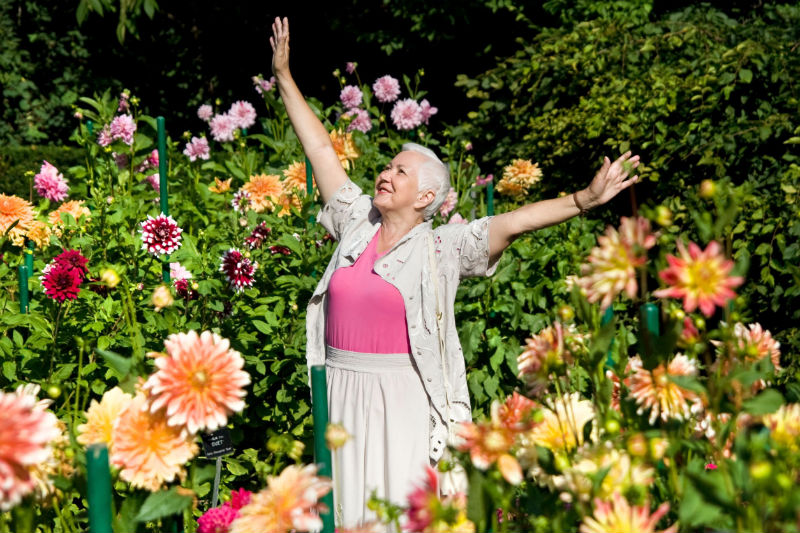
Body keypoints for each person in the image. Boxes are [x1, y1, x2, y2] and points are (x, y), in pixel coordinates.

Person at [269, 16, 640, 530]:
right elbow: (320, 151)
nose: (384, 173)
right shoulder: (357, 222)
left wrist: (583, 200)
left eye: (400, 170)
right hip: (338, 387)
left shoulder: (442, 248)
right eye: (387, 165)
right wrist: (285, 76)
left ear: (426, 197)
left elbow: (513, 222)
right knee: (340, 511)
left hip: (400, 402)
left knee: (393, 513)